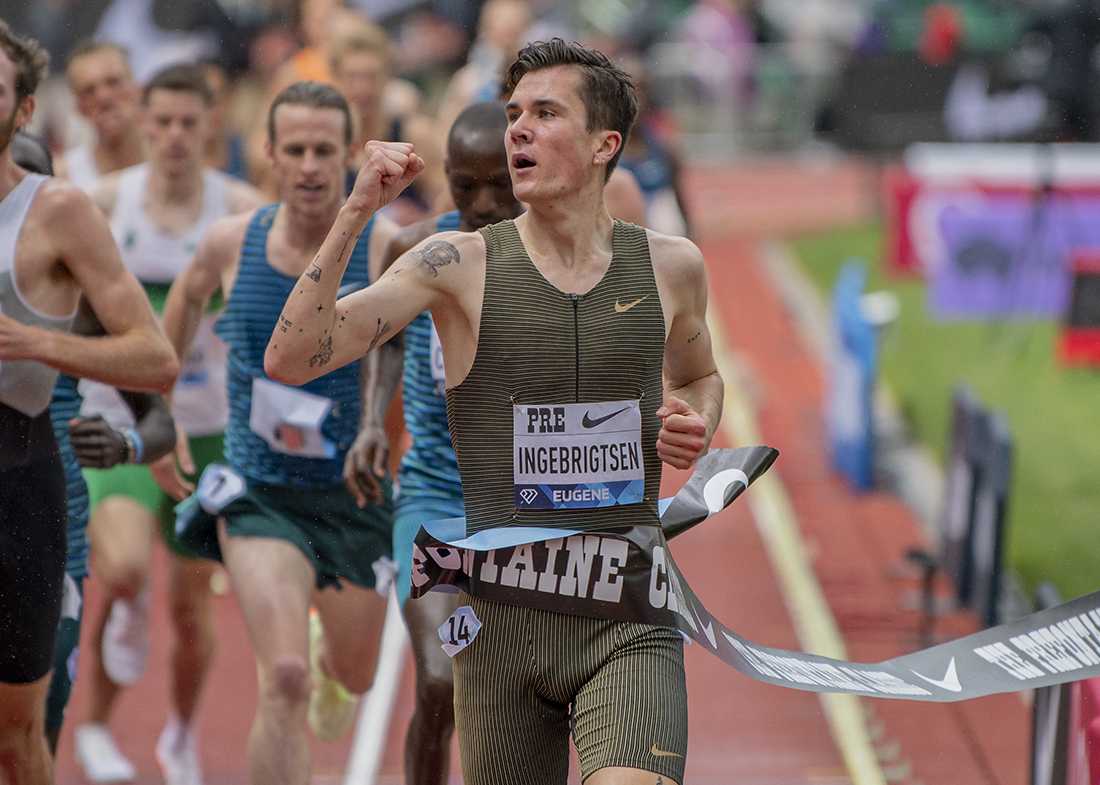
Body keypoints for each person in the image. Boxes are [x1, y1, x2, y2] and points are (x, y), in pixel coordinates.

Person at [265, 38, 723, 785]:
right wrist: (356, 209)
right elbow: (295, 355)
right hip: (500, 625)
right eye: (514, 113)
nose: (517, 129)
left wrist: (694, 417)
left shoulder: (672, 265)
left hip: (625, 609)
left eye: (545, 113)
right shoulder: (453, 265)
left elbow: (702, 374)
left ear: (606, 144)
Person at [163, 81, 397, 785]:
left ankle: (332, 652)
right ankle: (304, 656)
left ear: (350, 154)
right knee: (284, 676)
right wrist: (158, 411)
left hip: (351, 494)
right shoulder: (231, 242)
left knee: (351, 677)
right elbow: (180, 306)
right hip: (259, 490)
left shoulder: (384, 244)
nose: (309, 165)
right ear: (268, 153)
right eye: (293, 148)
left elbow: (404, 350)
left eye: (324, 149)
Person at [73, 63, 262, 785]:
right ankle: (95, 712)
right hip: (122, 416)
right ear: (142, 123)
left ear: (211, 123)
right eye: (164, 122)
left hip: (208, 428)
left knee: (191, 611)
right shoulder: (102, 203)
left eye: (191, 122)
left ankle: (180, 733)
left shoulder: (241, 209)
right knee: (120, 570)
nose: (177, 136)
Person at [0, 22, 178, 785]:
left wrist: (36, 342)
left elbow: (156, 360)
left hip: (23, 479)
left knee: (21, 730)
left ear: (24, 108)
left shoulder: (60, 212)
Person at [56, 41, 144, 189]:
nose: (104, 97)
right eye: (89, 91)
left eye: (114, 82)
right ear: (78, 107)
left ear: (138, 89)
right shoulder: (62, 180)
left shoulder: (176, 165)